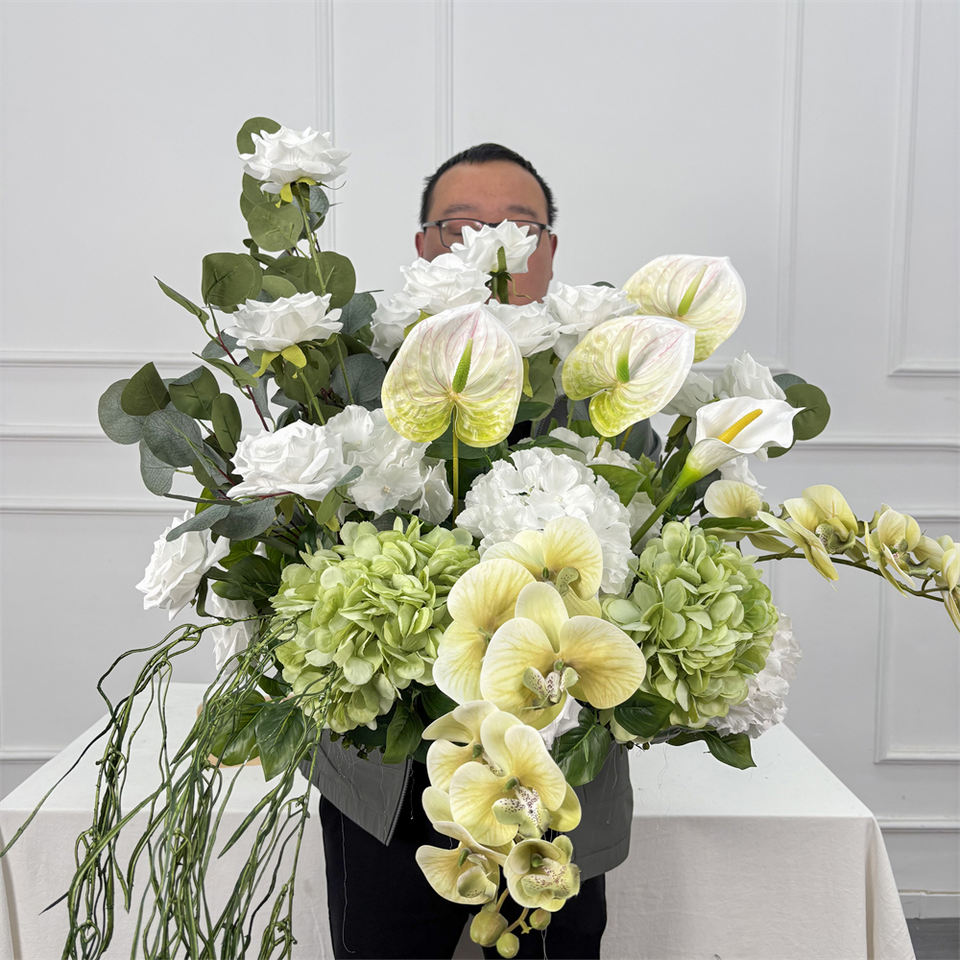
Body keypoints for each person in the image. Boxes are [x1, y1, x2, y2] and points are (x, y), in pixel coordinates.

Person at [306, 144, 651, 960]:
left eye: (518, 229)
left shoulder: (612, 404)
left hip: (553, 790)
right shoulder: (352, 393)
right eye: (461, 228)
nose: (493, 249)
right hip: (386, 785)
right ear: (423, 249)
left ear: (550, 251)